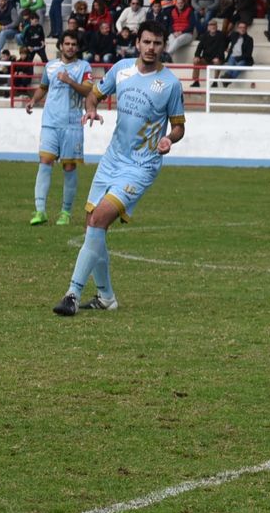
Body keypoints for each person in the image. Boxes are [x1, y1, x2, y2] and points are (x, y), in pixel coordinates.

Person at [53, 26, 185, 316]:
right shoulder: (121, 69)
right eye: (146, 41)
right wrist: (90, 109)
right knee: (91, 225)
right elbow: (93, 95)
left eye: (157, 43)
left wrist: (169, 139)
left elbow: (178, 126)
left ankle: (72, 293)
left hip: (141, 165)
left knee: (99, 219)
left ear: (164, 46)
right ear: (137, 43)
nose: (151, 47)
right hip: (112, 160)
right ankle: (106, 298)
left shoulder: (170, 84)